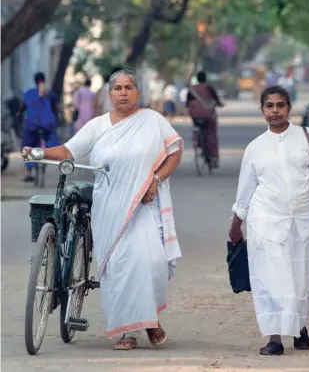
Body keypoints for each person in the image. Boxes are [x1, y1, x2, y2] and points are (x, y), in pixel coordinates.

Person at [23, 69, 182, 350]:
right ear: (109, 95)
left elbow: (174, 152)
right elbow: (69, 151)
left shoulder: (152, 121)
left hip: (144, 202)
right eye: (118, 88)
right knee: (120, 266)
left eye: (128, 87)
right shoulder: (97, 126)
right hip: (109, 206)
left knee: (150, 262)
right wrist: (38, 152)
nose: (123, 92)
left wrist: (156, 179)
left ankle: (150, 320)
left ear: (137, 92)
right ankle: (126, 331)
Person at [229, 85, 309, 356]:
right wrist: (236, 224)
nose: (275, 111)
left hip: (304, 218)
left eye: (280, 105)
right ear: (262, 110)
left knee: (301, 277)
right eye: (269, 106)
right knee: (271, 277)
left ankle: (299, 326)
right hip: (265, 218)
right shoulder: (255, 148)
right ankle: (275, 337)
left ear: (289, 108)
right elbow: (245, 189)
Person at [20, 72, 60, 183]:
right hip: (48, 124)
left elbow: (22, 107)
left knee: (26, 145)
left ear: (34, 81)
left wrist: (19, 115)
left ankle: (28, 171)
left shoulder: (28, 93)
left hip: (32, 125)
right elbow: (56, 109)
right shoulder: (51, 94)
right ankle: (49, 154)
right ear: (44, 80)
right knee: (51, 140)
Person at [187, 71, 223, 169]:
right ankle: (213, 158)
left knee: (197, 127)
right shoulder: (208, 88)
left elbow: (187, 104)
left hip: (195, 116)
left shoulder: (191, 89)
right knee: (211, 133)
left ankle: (199, 143)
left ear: (197, 79)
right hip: (208, 115)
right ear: (205, 79)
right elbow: (216, 100)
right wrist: (219, 104)